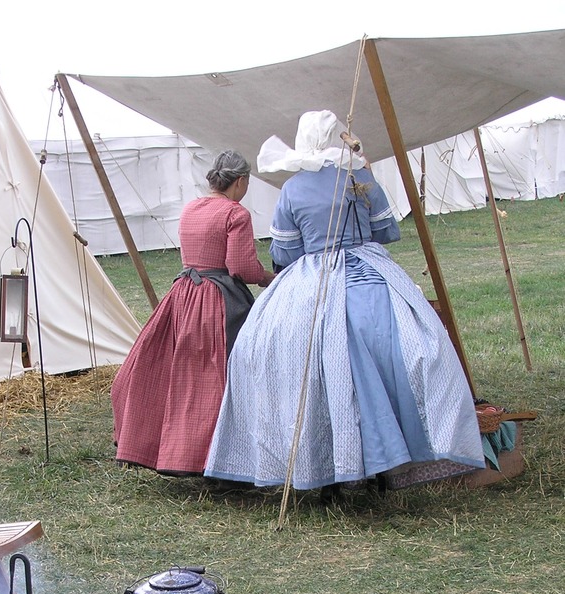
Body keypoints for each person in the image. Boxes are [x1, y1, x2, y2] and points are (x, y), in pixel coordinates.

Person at [204, 111, 485, 492]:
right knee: (411, 347)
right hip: (369, 276)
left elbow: (286, 254)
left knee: (285, 356)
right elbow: (386, 231)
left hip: (312, 280)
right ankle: (393, 458)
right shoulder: (360, 177)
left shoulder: (293, 189)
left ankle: (322, 462)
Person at [110, 150, 274, 476]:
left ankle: (171, 450)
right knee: (224, 374)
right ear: (240, 181)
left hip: (183, 294)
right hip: (219, 299)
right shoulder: (234, 213)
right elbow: (240, 267)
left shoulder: (191, 208)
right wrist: (271, 279)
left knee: (176, 373)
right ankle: (220, 456)